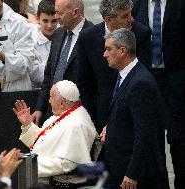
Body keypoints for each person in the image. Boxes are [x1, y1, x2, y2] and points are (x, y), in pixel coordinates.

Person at [102, 28, 167, 189]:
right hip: (118, 166)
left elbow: (144, 132)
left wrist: (133, 173)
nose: (105, 54)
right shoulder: (123, 75)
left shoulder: (140, 83)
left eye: (109, 49)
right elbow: (126, 114)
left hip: (133, 174)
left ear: (123, 50)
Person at [77, 0, 152, 133]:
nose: (131, 19)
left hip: (130, 116)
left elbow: (142, 79)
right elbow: (84, 83)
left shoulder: (142, 34)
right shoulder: (87, 37)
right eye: (125, 16)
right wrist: (90, 119)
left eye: (130, 13)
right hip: (100, 115)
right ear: (108, 19)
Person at [132, 1, 185, 188]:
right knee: (150, 141)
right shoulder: (136, 5)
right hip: (146, 81)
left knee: (179, 142)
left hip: (177, 85)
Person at [13, 80, 97, 182]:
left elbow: (67, 163)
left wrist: (32, 165)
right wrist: (28, 125)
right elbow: (43, 142)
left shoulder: (77, 124)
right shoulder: (60, 115)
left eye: (51, 97)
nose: (49, 101)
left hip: (60, 181)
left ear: (62, 103)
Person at [31, 0, 93, 125]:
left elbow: (99, 81)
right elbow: (49, 75)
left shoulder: (93, 35)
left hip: (80, 116)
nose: (56, 17)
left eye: (60, 13)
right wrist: (39, 108)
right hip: (54, 113)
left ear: (75, 12)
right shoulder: (58, 33)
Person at [29, 0, 57, 88]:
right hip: (37, 90)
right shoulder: (30, 40)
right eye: (45, 21)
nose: (49, 26)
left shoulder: (64, 35)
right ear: (37, 19)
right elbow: (35, 75)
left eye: (54, 21)